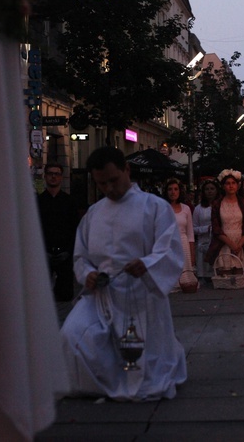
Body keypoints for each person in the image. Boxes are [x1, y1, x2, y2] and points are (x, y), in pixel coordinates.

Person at [60, 146, 187, 401]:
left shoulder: (155, 207)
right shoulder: (94, 213)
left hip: (141, 293)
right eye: (101, 183)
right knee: (71, 335)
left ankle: (136, 377)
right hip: (102, 295)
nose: (108, 188)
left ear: (127, 170)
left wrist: (147, 264)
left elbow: (168, 248)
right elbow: (81, 255)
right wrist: (88, 275)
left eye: (113, 180)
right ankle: (103, 382)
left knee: (140, 356)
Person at [37, 162, 80, 302]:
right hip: (43, 255)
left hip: (65, 255)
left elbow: (75, 229)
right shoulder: (38, 202)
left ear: (61, 177)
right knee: (40, 296)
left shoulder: (70, 202)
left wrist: (68, 251)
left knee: (65, 296)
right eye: (50, 174)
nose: (53, 177)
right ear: (45, 176)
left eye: (57, 174)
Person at [205, 169, 244, 278]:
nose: (231, 186)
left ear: (238, 185)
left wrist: (238, 245)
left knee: (239, 276)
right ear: (223, 186)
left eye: (233, 183)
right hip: (224, 242)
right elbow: (216, 227)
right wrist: (231, 244)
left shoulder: (243, 203)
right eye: (227, 183)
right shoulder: (217, 204)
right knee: (225, 276)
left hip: (240, 242)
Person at [165, 178, 195, 291]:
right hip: (168, 244)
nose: (173, 192)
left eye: (175, 189)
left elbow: (190, 232)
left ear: (180, 191)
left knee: (186, 278)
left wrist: (192, 254)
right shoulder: (163, 208)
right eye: (170, 189)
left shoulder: (186, 208)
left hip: (183, 242)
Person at [193, 179, 219, 282]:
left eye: (212, 189)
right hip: (203, 244)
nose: (210, 191)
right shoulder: (198, 209)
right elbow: (193, 228)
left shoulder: (221, 206)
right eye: (207, 189)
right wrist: (206, 228)